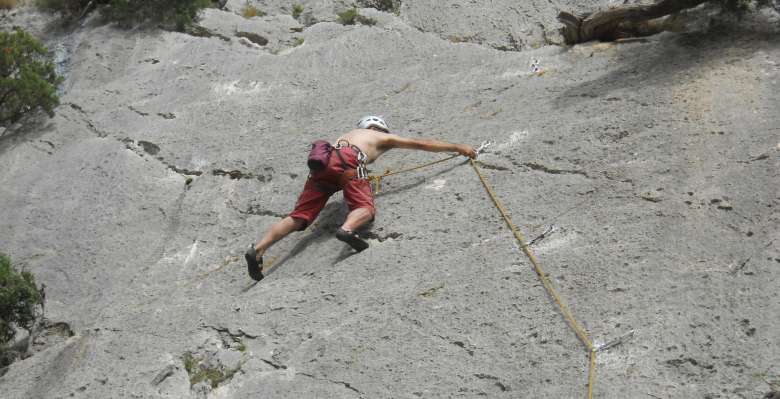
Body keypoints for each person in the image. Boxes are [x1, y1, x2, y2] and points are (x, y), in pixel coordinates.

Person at [245, 116, 477, 281]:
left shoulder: (345, 136)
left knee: (299, 216)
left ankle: (258, 249)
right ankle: (347, 229)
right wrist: (458, 147)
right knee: (364, 206)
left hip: (321, 167)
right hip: (348, 162)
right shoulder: (379, 136)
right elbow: (422, 144)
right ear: (380, 128)